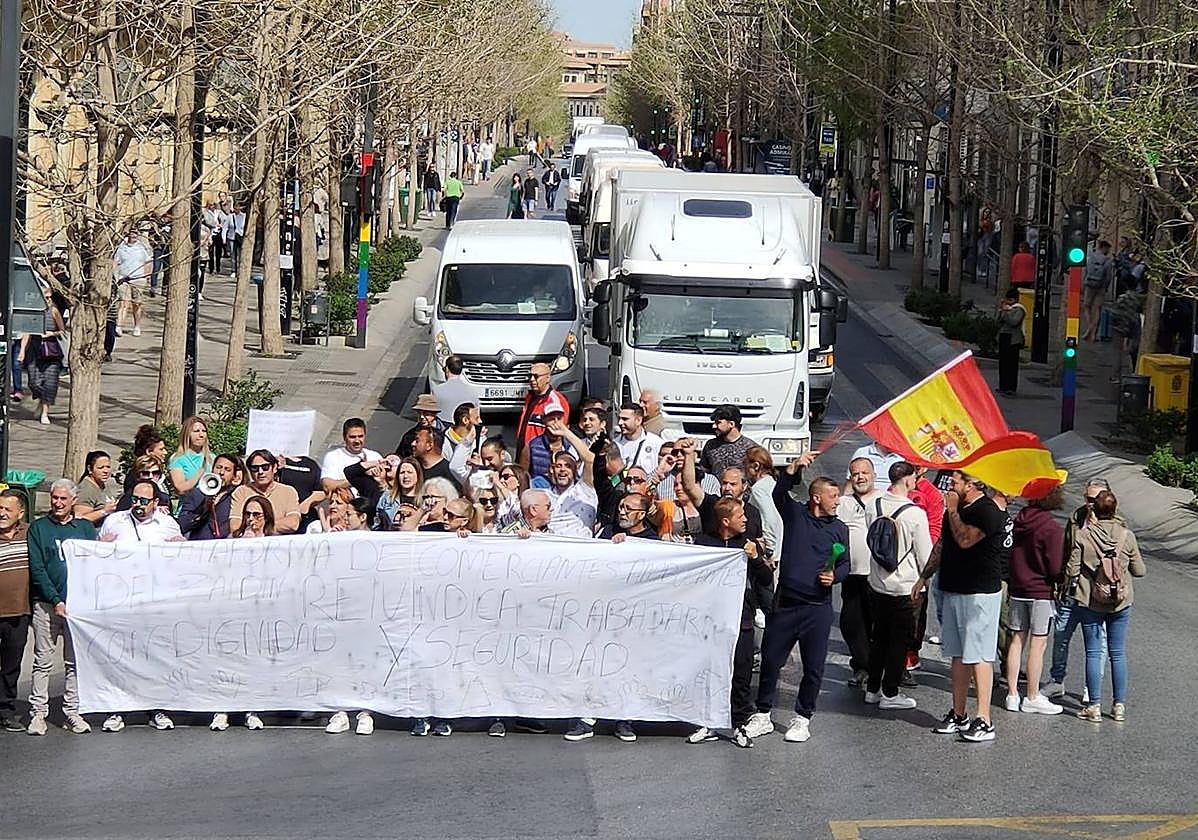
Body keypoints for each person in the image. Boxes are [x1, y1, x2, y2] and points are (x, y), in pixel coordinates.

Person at [744, 452, 849, 744]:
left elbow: (845, 564)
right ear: (816, 498)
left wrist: (835, 577)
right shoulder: (796, 515)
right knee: (771, 660)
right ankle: (763, 714)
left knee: (814, 668)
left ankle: (803, 718)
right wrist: (792, 469)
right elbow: (779, 493)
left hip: (818, 609)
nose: (837, 501)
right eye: (833, 496)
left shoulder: (839, 528)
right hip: (787, 604)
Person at [911, 471, 1008, 743]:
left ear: (972, 483)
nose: (949, 486)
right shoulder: (956, 509)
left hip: (979, 593)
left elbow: (965, 539)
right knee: (957, 654)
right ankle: (959, 712)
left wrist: (952, 509)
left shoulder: (987, 511)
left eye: (955, 482)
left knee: (979, 655)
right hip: (953, 588)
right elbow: (944, 543)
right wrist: (924, 576)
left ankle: (984, 719)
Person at [686, 497, 772, 748]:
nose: (746, 520)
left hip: (741, 620)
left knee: (741, 675)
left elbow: (766, 579)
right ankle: (707, 722)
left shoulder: (747, 544)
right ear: (726, 521)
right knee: (708, 672)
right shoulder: (704, 543)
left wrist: (756, 557)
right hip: (710, 623)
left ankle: (739, 724)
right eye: (740, 516)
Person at [1066, 490, 1145, 723]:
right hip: (1121, 601)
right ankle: (1119, 705)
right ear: (1115, 509)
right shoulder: (1126, 536)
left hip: (1092, 599)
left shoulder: (1084, 535)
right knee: (1118, 652)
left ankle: (1094, 706)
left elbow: (1072, 570)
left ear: (1094, 510)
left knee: (1093, 651)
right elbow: (1140, 571)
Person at [27, 479, 97, 735]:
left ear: (73, 501)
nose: (57, 503)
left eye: (63, 499)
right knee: (42, 661)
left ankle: (72, 711)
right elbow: (37, 569)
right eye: (54, 498)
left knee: (73, 662)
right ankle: (38, 713)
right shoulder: (39, 528)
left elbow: (96, 562)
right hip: (47, 606)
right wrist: (55, 599)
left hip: (78, 608)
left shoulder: (86, 529)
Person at [864, 462, 934, 710]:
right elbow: (925, 556)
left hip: (876, 582)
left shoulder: (874, 504)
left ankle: (872, 688)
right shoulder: (915, 514)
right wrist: (925, 579)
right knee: (898, 641)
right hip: (905, 587)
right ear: (906, 479)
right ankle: (890, 693)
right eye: (914, 476)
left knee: (878, 637)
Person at [1044, 477, 1112, 700]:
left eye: (1095, 499)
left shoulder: (1115, 523)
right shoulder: (1076, 518)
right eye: (1087, 498)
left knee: (1096, 642)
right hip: (1070, 589)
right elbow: (1065, 550)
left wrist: (1096, 527)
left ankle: (1089, 687)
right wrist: (1058, 581)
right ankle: (1057, 680)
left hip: (1095, 593)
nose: (1090, 503)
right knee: (1061, 635)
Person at [1003, 486, 1066, 716]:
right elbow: (1055, 567)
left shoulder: (1019, 520)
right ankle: (1031, 695)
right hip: (1040, 590)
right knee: (1038, 645)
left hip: (1018, 587)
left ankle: (1011, 693)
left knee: (1016, 640)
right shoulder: (1050, 527)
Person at [836, 457, 881, 687]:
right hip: (852, 574)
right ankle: (862, 665)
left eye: (864, 473)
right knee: (851, 622)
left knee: (877, 622)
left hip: (878, 575)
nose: (860, 477)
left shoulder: (883, 500)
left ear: (873, 475)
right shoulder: (843, 502)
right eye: (855, 474)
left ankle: (877, 668)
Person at [0, 491, 31, 732]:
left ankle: (5, 711)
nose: (2, 513)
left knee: (11, 665)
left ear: (20, 513)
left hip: (19, 611)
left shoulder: (30, 533)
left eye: (7, 509)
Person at [18, 287, 66, 425]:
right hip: (35, 350)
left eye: (50, 297)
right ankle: (41, 400)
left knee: (50, 383)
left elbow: (62, 330)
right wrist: (22, 351)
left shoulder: (54, 311)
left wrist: (52, 333)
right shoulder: (33, 314)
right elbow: (27, 333)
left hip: (51, 351)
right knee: (34, 382)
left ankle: (45, 412)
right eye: (46, 297)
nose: (48, 300)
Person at [229, 450, 302, 534]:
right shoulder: (241, 492)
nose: (260, 472)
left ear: (274, 468)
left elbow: (293, 523)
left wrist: (258, 527)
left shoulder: (288, 491)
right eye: (255, 468)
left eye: (265, 467)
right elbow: (235, 527)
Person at [177, 453, 245, 540]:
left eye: (227, 470)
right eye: (218, 467)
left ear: (234, 476)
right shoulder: (196, 494)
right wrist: (201, 511)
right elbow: (181, 526)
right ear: (212, 469)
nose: (221, 472)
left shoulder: (236, 496)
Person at [516, 362, 570, 461]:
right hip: (525, 453)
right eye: (530, 376)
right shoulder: (530, 397)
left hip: (542, 455)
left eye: (536, 376)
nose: (532, 380)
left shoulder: (555, 401)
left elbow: (559, 433)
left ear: (548, 378)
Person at [98, 481, 184, 543]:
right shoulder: (114, 520)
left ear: (155, 502)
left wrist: (181, 544)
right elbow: (96, 552)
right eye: (134, 499)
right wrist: (101, 544)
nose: (137, 504)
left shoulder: (168, 523)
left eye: (144, 501)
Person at [321, 418, 382, 494]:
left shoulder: (375, 456)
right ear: (344, 437)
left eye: (360, 436)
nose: (357, 441)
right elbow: (327, 486)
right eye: (352, 437)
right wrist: (361, 478)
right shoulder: (333, 457)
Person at [544, 450, 597, 537]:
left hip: (579, 547)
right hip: (550, 547)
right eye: (558, 466)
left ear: (575, 471)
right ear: (552, 469)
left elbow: (590, 459)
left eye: (568, 466)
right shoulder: (544, 495)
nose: (562, 469)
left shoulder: (585, 490)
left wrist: (566, 435)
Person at [700, 405, 757, 479]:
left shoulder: (751, 448)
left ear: (731, 424)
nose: (714, 426)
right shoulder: (710, 446)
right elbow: (704, 472)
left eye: (718, 423)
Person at [113, 228, 152, 336]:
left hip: (138, 280)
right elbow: (115, 262)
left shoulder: (142, 248)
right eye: (132, 233)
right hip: (123, 279)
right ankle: (119, 326)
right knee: (123, 303)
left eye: (136, 233)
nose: (134, 236)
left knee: (136, 304)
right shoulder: (121, 248)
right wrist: (116, 276)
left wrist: (146, 277)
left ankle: (137, 326)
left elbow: (148, 262)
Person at [277, 454, 326, 531]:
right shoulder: (275, 462)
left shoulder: (311, 464)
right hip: (282, 516)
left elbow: (322, 491)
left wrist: (307, 503)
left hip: (305, 516)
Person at [613, 401, 664, 475]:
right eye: (619, 418)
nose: (620, 423)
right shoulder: (614, 445)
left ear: (638, 421)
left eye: (625, 419)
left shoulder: (656, 443)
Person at [168, 416, 215, 495]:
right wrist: (199, 474)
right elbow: (181, 489)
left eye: (204, 431)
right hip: (189, 505)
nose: (201, 435)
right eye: (196, 431)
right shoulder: (177, 459)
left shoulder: (212, 458)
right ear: (187, 434)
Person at [73, 450, 121, 526]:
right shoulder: (86, 490)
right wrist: (104, 511)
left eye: (108, 467)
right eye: (101, 468)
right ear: (89, 469)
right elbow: (79, 519)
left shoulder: (101, 483)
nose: (106, 471)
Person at [1081, 240, 1114, 341]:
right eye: (1108, 248)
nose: (1108, 251)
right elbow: (1109, 276)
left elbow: (1086, 271)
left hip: (1089, 285)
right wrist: (1106, 286)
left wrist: (1084, 283)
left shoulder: (1091, 257)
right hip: (1101, 287)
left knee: (1086, 307)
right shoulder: (1108, 261)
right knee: (1097, 309)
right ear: (1104, 248)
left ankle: (1089, 327)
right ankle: (1093, 334)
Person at [396, 393, 447, 458]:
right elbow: (401, 456)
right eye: (419, 413)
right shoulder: (409, 436)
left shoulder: (448, 431)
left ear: (434, 413)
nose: (422, 417)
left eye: (426, 413)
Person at [996, 287, 1026, 397]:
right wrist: (1000, 311)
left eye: (1009, 300)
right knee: (1003, 363)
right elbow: (998, 321)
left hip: (1013, 339)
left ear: (1014, 300)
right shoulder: (1007, 309)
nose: (1007, 302)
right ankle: (1003, 385)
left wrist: (1006, 312)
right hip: (1004, 337)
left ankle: (1011, 387)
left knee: (1011, 364)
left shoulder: (1019, 310)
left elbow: (1014, 322)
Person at [432, 355, 475, 425]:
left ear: (447, 369)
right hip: (462, 428)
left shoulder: (436, 390)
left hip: (442, 428)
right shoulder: (472, 391)